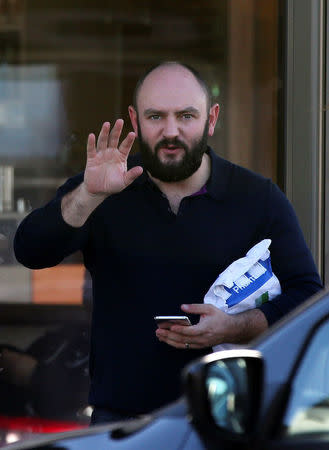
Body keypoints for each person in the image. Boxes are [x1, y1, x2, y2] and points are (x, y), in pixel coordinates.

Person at [14, 61, 322, 425]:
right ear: (135, 119)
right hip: (122, 423)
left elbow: (308, 297)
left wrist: (235, 326)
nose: (171, 131)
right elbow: (31, 251)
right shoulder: (105, 186)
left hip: (228, 421)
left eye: (187, 116)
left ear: (211, 118)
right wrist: (88, 194)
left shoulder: (256, 197)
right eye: (156, 116)